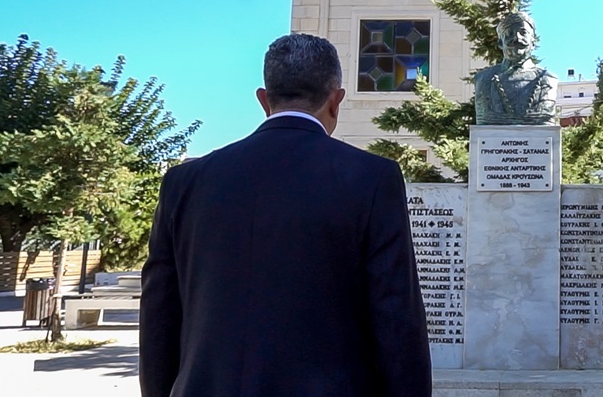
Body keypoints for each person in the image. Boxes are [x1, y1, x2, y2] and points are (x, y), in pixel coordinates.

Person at [139, 34, 431, 397]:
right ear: (336, 100)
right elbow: (395, 317)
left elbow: (159, 317)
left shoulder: (185, 182)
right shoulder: (372, 178)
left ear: (264, 100)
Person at [473, 10, 557, 125]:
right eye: (510, 34)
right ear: (500, 43)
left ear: (533, 42)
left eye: (523, 32)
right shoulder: (483, 79)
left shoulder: (548, 79)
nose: (517, 38)